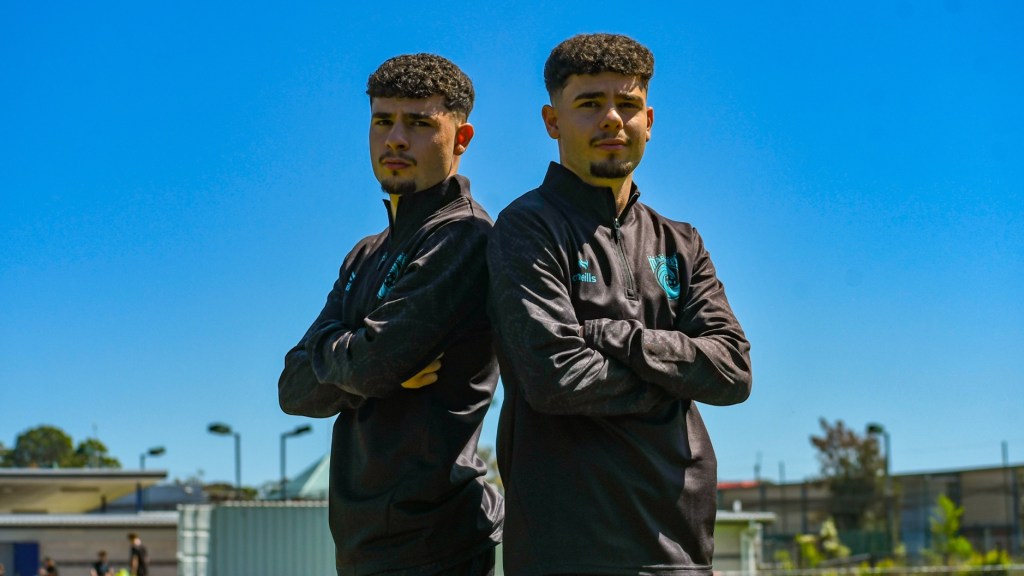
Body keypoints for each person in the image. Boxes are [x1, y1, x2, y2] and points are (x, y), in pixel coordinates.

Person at [488, 33, 753, 575]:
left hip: (681, 550)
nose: (612, 119)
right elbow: (557, 378)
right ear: (552, 121)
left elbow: (732, 370)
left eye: (627, 105)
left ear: (648, 121)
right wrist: (677, 381)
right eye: (589, 103)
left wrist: (618, 337)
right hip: (565, 551)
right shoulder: (526, 228)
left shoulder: (681, 242)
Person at [279, 53, 502, 576]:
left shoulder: (464, 236)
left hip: (437, 540)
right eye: (383, 121)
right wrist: (358, 357)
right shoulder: (365, 253)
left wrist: (348, 357)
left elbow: (373, 366)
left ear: (461, 138)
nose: (395, 140)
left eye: (419, 124)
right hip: (362, 541)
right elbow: (291, 388)